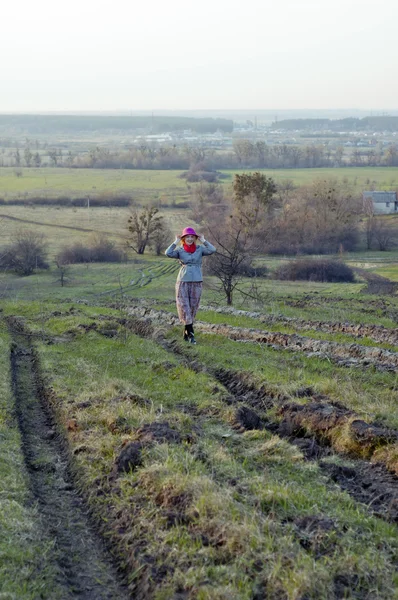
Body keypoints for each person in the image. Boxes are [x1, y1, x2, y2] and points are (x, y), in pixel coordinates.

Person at [165, 227, 216, 344]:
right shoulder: (179, 250)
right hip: (183, 281)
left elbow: (213, 250)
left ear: (195, 238)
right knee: (184, 307)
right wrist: (175, 242)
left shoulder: (200, 249)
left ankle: (186, 332)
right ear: (183, 238)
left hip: (197, 282)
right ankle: (192, 335)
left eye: (192, 237)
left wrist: (203, 240)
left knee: (193, 307)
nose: (189, 239)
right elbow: (168, 253)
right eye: (187, 237)